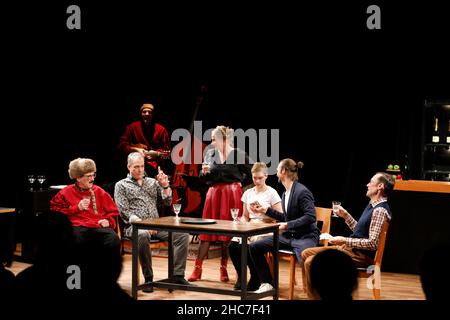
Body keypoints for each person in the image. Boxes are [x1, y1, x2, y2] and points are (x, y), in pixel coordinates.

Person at [301, 172, 394, 299]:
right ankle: (316, 293)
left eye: (371, 182)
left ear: (380, 186)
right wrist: (346, 215)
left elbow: (372, 243)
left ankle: (317, 297)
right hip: (351, 250)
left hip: (360, 256)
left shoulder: (380, 210)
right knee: (306, 253)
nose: (367, 185)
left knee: (310, 262)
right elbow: (360, 233)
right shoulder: (372, 206)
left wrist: (344, 240)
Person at [114, 152, 190, 292]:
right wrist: (143, 225)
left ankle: (177, 275)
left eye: (142, 166)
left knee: (182, 234)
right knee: (142, 234)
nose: (140, 170)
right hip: (135, 227)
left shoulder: (152, 182)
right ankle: (148, 278)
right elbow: (123, 211)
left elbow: (167, 202)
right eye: (136, 167)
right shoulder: (121, 185)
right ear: (128, 167)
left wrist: (166, 186)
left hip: (156, 225)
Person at [188, 125, 252, 283]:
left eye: (214, 140)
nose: (211, 143)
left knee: (228, 234)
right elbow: (202, 176)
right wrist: (203, 174)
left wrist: (238, 184)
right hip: (214, 194)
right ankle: (198, 268)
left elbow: (252, 173)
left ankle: (224, 268)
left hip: (232, 195)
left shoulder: (238, 154)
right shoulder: (210, 154)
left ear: (224, 139)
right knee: (206, 232)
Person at [249, 159, 320, 293]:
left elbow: (311, 216)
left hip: (306, 236)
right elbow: (287, 218)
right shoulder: (285, 193)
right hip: (289, 236)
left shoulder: (302, 191)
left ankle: (318, 291)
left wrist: (287, 225)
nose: (275, 172)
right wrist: (266, 210)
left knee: (307, 260)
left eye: (277, 169)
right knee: (255, 247)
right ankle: (267, 283)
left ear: (283, 171)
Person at [228, 162, 282, 291]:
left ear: (266, 176)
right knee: (233, 245)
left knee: (251, 245)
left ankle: (255, 276)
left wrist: (264, 211)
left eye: (260, 178)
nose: (257, 181)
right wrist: (242, 222)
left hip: (266, 226)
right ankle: (242, 276)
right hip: (250, 225)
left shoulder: (271, 193)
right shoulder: (248, 192)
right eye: (254, 178)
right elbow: (245, 215)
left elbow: (280, 216)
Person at [50, 158, 121, 253]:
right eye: (88, 176)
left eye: (93, 175)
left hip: (97, 226)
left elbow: (113, 211)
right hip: (77, 227)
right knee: (75, 240)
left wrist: (108, 221)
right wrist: (76, 208)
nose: (92, 179)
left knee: (113, 239)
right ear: (78, 178)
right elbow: (54, 210)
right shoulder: (66, 192)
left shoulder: (100, 191)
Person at [117, 102, 171, 178]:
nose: (147, 114)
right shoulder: (132, 127)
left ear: (153, 114)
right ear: (140, 113)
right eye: (144, 112)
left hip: (155, 166)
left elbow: (167, 153)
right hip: (135, 163)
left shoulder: (161, 130)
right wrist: (136, 149)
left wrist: (156, 154)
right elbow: (121, 146)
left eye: (149, 112)